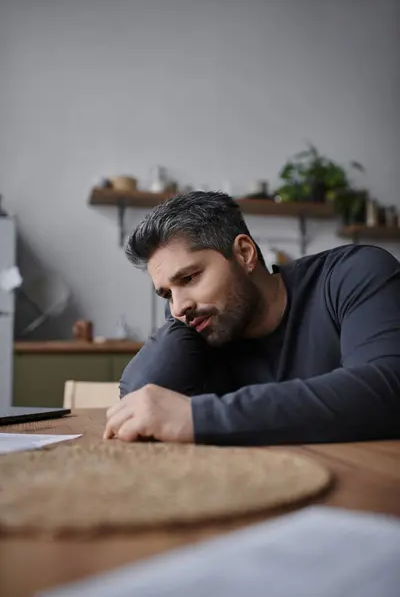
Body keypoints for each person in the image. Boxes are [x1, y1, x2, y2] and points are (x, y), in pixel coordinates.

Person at [104, 191, 400, 446]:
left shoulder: (353, 274)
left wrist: (199, 417)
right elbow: (141, 398)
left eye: (190, 277)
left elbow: (388, 389)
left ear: (244, 253)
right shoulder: (203, 329)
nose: (178, 308)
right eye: (167, 294)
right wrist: (186, 310)